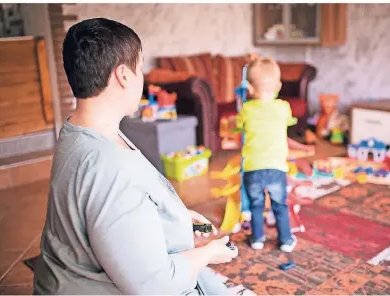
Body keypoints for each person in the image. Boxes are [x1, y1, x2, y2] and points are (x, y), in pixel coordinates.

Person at [32, 18, 238, 295]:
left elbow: (115, 208)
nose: (141, 76)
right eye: (139, 68)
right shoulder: (109, 169)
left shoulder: (80, 130)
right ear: (123, 76)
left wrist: (175, 216)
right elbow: (154, 286)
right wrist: (209, 254)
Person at [236, 57, 297, 252]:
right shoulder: (283, 107)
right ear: (278, 85)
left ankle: (257, 239)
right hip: (277, 168)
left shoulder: (246, 108)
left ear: (250, 89)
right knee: (280, 204)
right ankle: (286, 240)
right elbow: (289, 121)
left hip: (253, 168)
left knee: (256, 205)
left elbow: (239, 126)